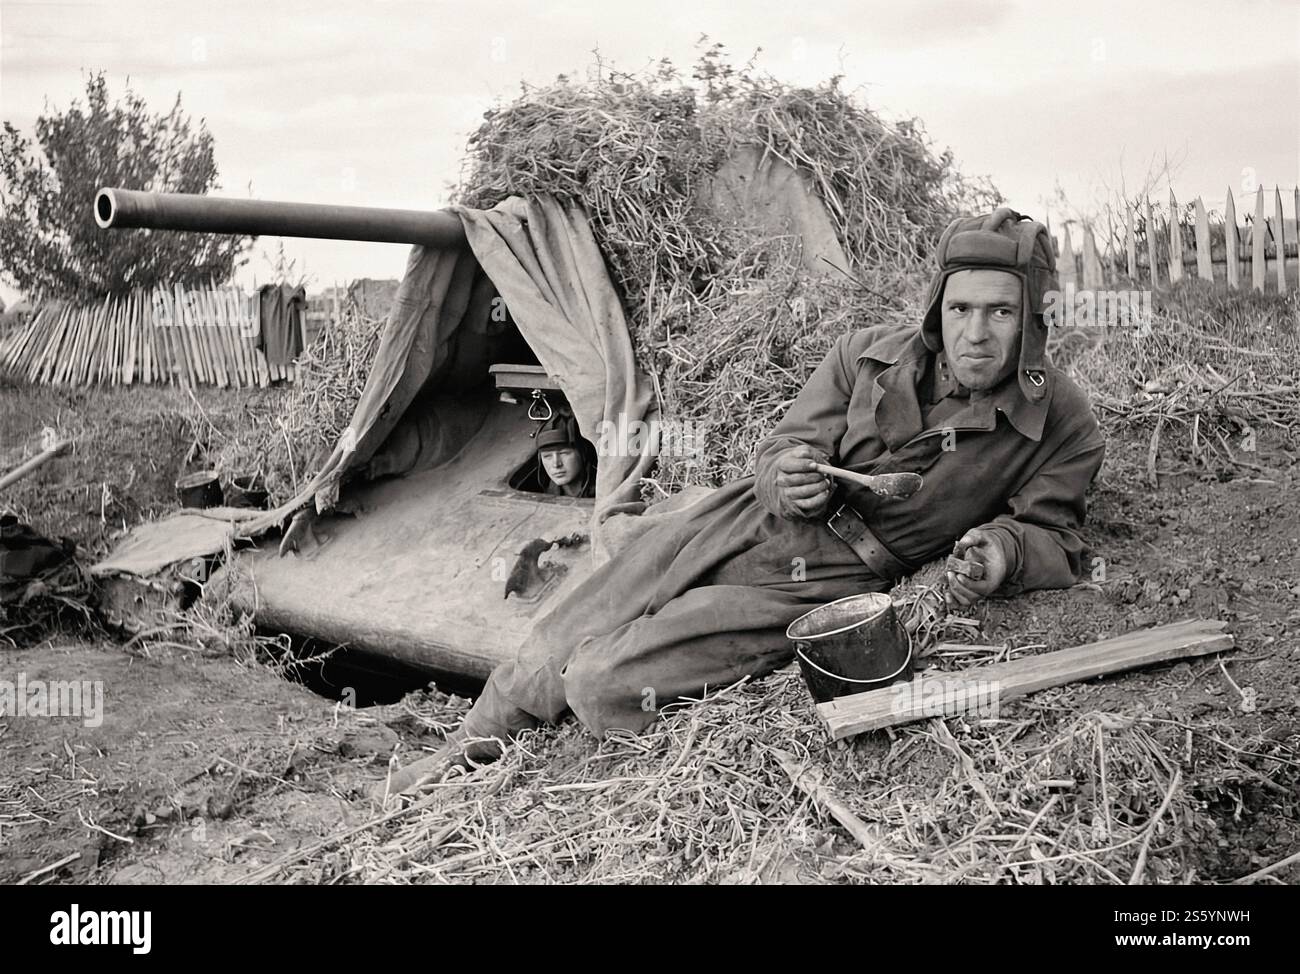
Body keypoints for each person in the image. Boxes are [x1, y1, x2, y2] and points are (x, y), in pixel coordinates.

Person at [379, 207, 1106, 797]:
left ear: (1032, 319)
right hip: (747, 518)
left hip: (827, 579)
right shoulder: (866, 354)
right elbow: (785, 444)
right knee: (580, 615)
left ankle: (574, 706)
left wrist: (1002, 553)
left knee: (601, 683)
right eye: (962, 307)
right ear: (938, 306)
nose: (975, 333)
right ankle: (470, 744)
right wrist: (785, 475)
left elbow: (1058, 535)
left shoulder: (1064, 424)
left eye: (1001, 312)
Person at [535, 415, 595, 498]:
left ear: (582, 453)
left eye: (564, 453)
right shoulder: (545, 492)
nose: (556, 464)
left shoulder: (606, 490)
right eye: (547, 456)